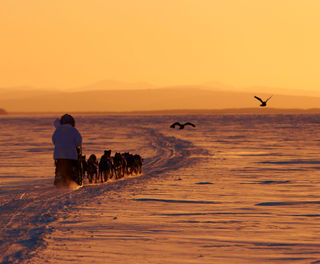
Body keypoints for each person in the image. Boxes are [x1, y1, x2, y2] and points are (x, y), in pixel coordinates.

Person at [52, 114, 82, 187]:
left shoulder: (57, 130)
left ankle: (59, 176)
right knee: (74, 167)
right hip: (71, 155)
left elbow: (54, 140)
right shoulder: (74, 130)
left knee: (59, 166)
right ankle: (73, 178)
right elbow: (78, 142)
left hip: (59, 155)